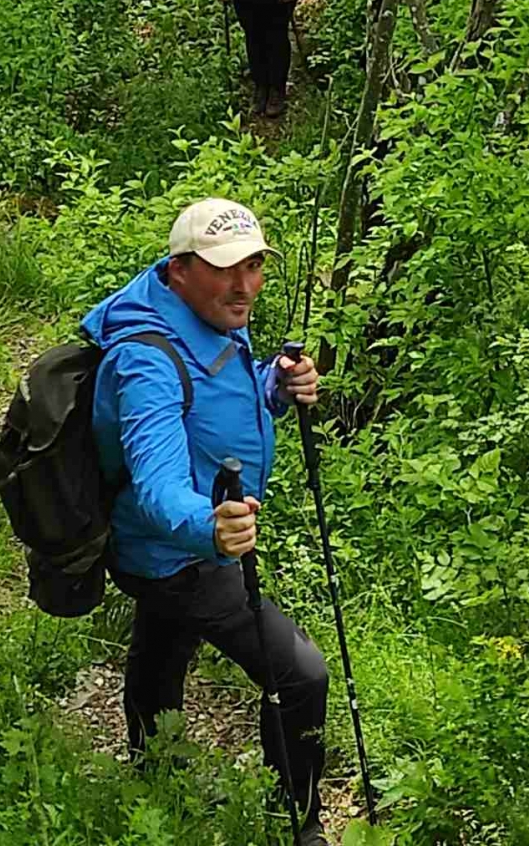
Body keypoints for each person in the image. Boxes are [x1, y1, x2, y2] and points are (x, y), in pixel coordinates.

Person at [85, 198, 329, 844]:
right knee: (302, 674)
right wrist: (210, 526)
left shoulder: (198, 315)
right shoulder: (145, 361)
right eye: (226, 269)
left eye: (253, 265)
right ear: (180, 268)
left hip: (164, 547)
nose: (244, 284)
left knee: (164, 642)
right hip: (176, 550)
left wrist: (273, 387)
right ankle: (300, 828)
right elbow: (159, 482)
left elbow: (219, 388)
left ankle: (152, 767)